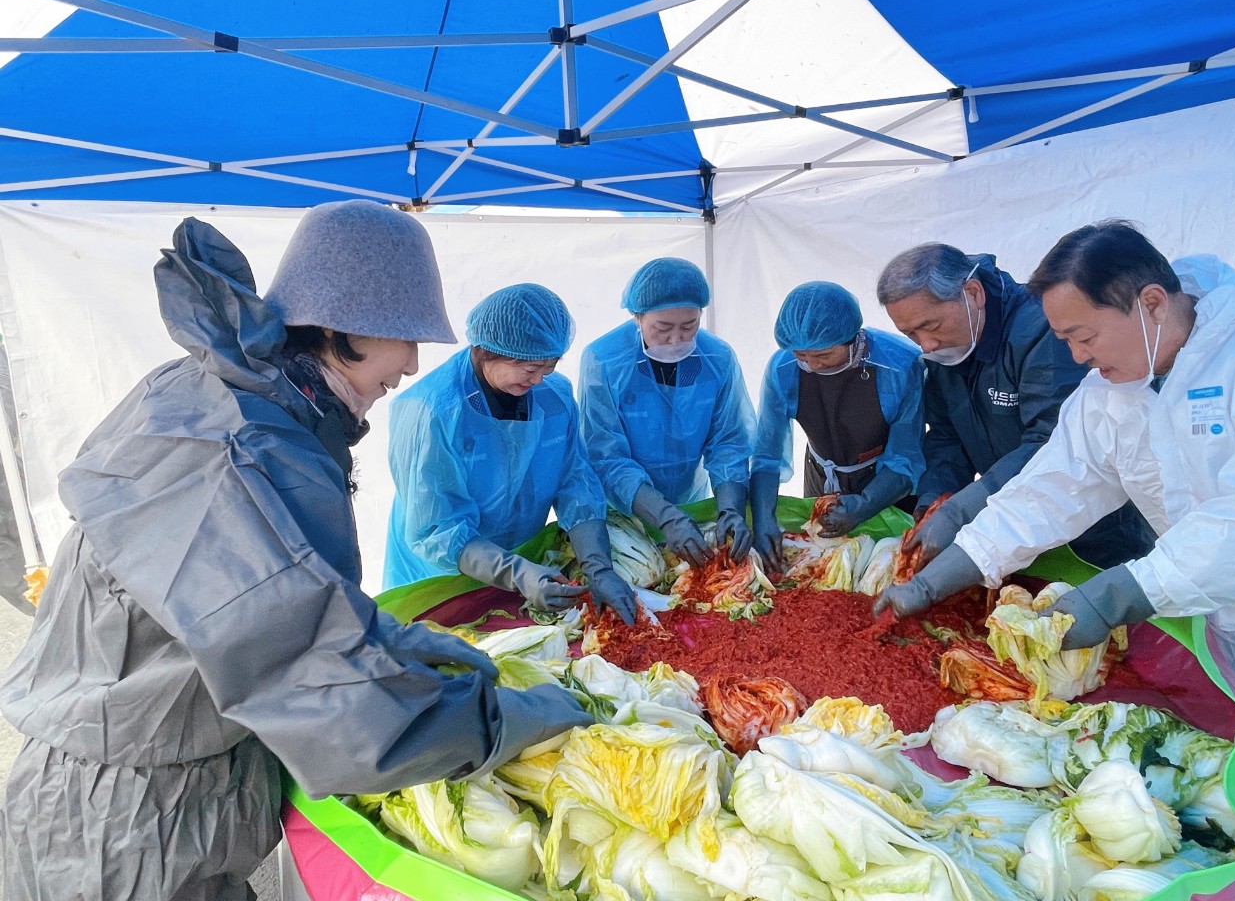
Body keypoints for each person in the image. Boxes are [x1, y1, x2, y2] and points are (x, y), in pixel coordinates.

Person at [0, 200, 594, 901]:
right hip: (130, 826)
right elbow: (336, 709)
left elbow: (270, 606)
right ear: (338, 329)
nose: (408, 365)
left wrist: (389, 640)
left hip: (149, 782)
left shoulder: (224, 397)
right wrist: (515, 719)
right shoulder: (245, 453)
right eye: (401, 338)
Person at [874, 221, 1235, 728]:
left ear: (1152, 304)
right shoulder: (1108, 393)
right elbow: (1048, 491)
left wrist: (1116, 595)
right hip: (1219, 631)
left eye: (1082, 336)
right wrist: (936, 580)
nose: (1076, 357)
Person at [876, 243, 1155, 568]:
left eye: (932, 325)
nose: (926, 344)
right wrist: (935, 502)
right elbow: (945, 435)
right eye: (909, 333)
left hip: (1094, 529)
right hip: (1010, 522)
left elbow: (1050, 442)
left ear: (973, 292)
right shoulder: (945, 349)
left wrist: (962, 510)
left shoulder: (1041, 329)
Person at [383, 283, 638, 626]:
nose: (537, 380)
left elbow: (575, 481)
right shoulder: (431, 411)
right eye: (527, 368)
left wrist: (598, 565)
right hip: (438, 573)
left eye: (547, 367)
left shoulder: (554, 397)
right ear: (485, 350)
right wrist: (518, 574)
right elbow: (438, 530)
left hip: (520, 561)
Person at [578, 257, 755, 567]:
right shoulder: (604, 361)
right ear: (637, 317)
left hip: (692, 499)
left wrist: (730, 510)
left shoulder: (717, 359)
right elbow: (605, 455)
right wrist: (664, 516)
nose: (676, 339)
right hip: (624, 511)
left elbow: (729, 442)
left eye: (689, 326)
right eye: (663, 328)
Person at [751, 281, 925, 573]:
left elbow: (906, 457)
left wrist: (866, 504)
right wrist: (763, 516)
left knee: (885, 568)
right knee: (818, 567)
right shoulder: (782, 368)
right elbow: (767, 455)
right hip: (822, 474)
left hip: (888, 483)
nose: (813, 366)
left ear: (852, 338)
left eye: (823, 355)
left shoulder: (901, 364)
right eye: (802, 356)